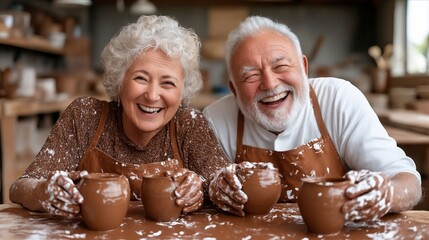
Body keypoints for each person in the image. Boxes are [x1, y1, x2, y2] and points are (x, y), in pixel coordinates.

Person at [9, 15, 230, 219]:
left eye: (168, 83)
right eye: (141, 78)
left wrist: (201, 188)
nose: (152, 95)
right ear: (120, 80)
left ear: (182, 91)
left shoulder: (189, 125)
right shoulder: (85, 116)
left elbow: (226, 186)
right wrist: (45, 191)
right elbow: (20, 187)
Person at [204, 16, 422, 221]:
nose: (270, 84)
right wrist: (214, 189)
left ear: (304, 68)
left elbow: (407, 181)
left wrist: (385, 194)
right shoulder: (216, 120)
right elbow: (203, 191)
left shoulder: (339, 98)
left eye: (281, 66)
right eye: (250, 76)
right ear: (233, 89)